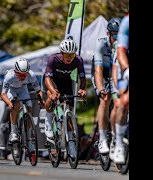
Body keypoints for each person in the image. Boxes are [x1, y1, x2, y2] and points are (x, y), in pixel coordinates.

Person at [43, 38, 87, 158]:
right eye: (66, 55)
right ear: (61, 53)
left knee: (70, 110)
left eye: (71, 55)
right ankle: (48, 123)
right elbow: (47, 78)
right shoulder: (53, 59)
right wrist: (53, 91)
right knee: (52, 96)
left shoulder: (78, 60)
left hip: (66, 82)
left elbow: (82, 78)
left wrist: (82, 89)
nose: (69, 57)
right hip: (51, 81)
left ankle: (71, 140)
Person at [90, 18, 121, 157]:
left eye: (119, 35)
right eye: (114, 35)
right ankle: (102, 138)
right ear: (108, 34)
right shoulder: (101, 43)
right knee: (105, 98)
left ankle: (116, 135)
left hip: (116, 71)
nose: (116, 38)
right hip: (101, 71)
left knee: (120, 101)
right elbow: (98, 70)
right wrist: (101, 88)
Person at [0, 58, 44, 145]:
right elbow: (3, 94)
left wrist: (40, 100)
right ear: (16, 72)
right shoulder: (9, 76)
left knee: (29, 107)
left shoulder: (31, 75)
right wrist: (9, 103)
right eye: (21, 74)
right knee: (15, 105)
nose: (23, 77)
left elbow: (38, 91)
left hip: (23, 89)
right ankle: (13, 133)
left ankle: (29, 134)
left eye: (25, 74)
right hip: (11, 90)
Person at [114, 13, 129, 164]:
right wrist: (126, 70)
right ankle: (118, 144)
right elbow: (121, 52)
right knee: (124, 101)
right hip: (126, 63)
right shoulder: (127, 22)